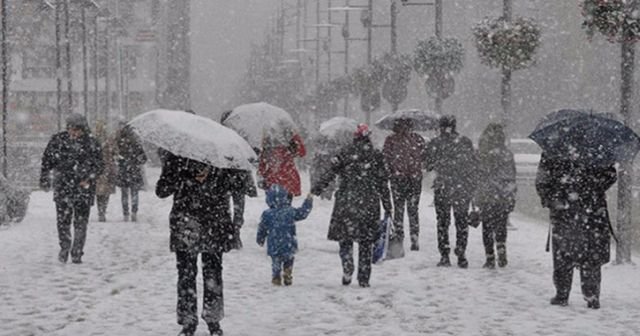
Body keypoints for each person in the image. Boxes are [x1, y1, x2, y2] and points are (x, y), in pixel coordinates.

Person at [156, 153, 237, 336]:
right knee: (190, 274)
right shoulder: (177, 158)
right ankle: (191, 321)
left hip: (209, 223)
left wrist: (209, 177)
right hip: (190, 225)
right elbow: (162, 191)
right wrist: (183, 175)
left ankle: (210, 319)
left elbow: (234, 187)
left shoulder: (220, 159)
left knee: (210, 274)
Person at [311, 124, 392, 288]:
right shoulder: (376, 156)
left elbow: (330, 172)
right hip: (369, 202)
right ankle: (364, 277)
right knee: (366, 242)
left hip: (346, 201)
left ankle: (347, 265)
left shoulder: (345, 152)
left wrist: (317, 188)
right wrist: (388, 205)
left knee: (345, 238)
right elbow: (383, 183)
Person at [535, 152, 616, 309]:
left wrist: (553, 198)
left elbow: (542, 181)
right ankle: (591, 294)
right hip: (592, 210)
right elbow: (610, 176)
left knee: (563, 253)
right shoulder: (597, 148)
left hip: (564, 210)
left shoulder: (554, 149)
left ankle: (562, 293)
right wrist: (593, 185)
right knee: (591, 253)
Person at [40, 113, 103, 264]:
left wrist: (88, 177)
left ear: (83, 129)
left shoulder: (92, 143)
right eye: (71, 129)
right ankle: (65, 247)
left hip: (83, 188)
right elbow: (47, 160)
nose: (73, 133)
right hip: (63, 187)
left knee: (81, 222)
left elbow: (100, 165)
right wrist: (44, 178)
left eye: (77, 130)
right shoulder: (58, 140)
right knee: (63, 221)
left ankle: (77, 251)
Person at [425, 115, 478, 268]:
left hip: (443, 187)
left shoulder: (435, 143)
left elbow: (427, 165)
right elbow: (473, 165)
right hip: (462, 188)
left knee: (442, 222)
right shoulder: (465, 142)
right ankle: (461, 253)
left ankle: (444, 254)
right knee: (461, 222)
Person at [473, 123, 517, 269]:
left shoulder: (483, 154)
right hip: (503, 195)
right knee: (501, 224)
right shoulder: (507, 154)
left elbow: (477, 174)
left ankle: (490, 257)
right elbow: (512, 175)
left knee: (487, 226)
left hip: (487, 195)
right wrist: (511, 194)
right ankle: (501, 246)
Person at [383, 119, 426, 252]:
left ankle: (399, 237)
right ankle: (414, 238)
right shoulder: (418, 139)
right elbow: (425, 157)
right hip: (414, 179)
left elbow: (386, 158)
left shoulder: (391, 140)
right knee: (413, 210)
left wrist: (391, 171)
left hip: (398, 179)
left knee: (399, 209)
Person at [256, 185, 313, 286]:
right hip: (289, 241)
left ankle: (276, 276)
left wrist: (260, 239)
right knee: (289, 258)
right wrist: (308, 202)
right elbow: (302, 213)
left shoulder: (267, 213)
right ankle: (288, 271)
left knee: (276, 261)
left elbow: (262, 228)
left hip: (274, 243)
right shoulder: (290, 211)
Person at [114, 122, 147, 222]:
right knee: (134, 193)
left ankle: (125, 213)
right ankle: (134, 212)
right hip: (134, 170)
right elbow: (144, 158)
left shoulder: (119, 141)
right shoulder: (136, 142)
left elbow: (116, 155)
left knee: (124, 193)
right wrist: (136, 160)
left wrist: (121, 160)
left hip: (124, 170)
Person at [258, 130, 306, 197]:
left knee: (273, 204)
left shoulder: (268, 144)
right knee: (288, 205)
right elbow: (302, 152)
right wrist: (295, 136)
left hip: (272, 181)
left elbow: (262, 165)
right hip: (289, 179)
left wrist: (261, 177)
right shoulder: (290, 141)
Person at [94, 120, 116, 222]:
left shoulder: (93, 139)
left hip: (99, 168)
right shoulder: (109, 139)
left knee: (100, 192)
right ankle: (102, 211)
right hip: (107, 167)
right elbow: (115, 151)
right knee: (105, 192)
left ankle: (101, 211)